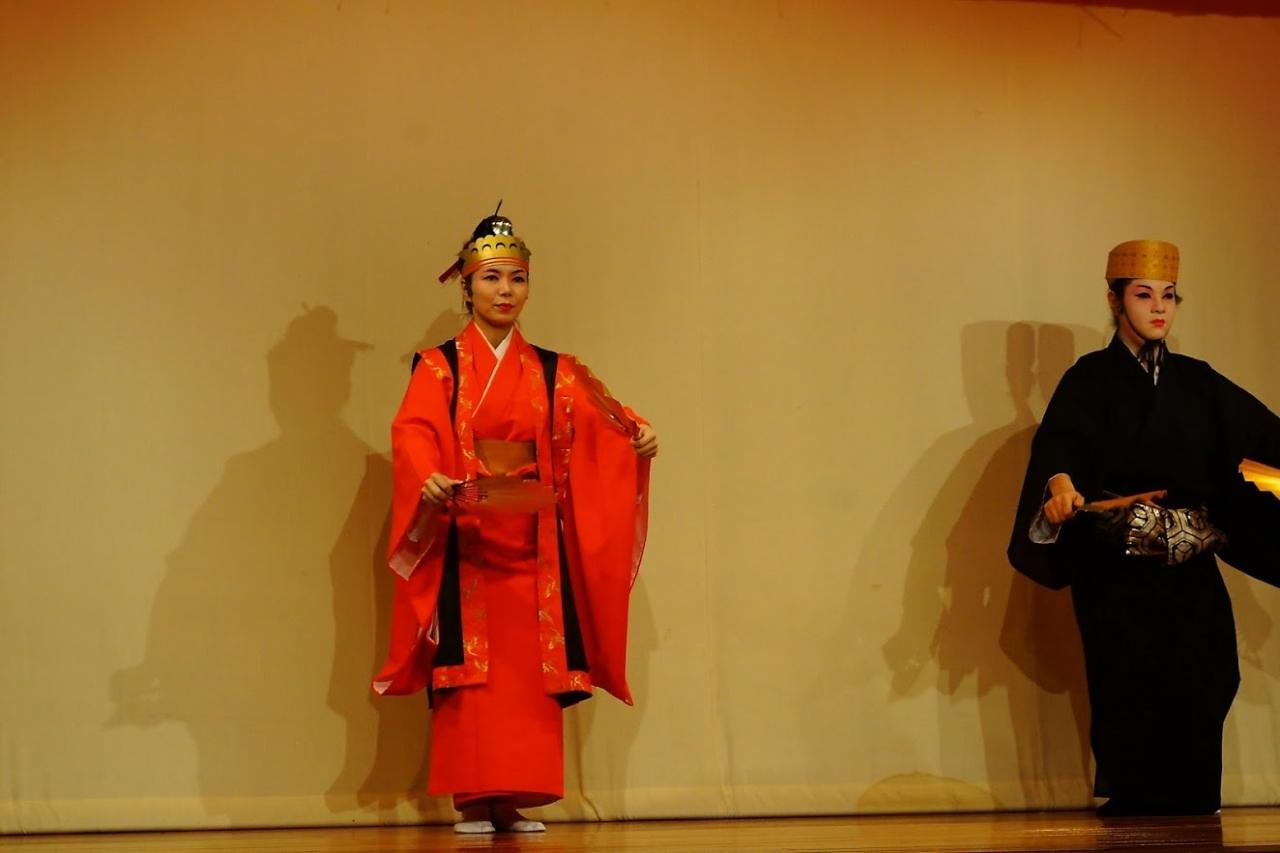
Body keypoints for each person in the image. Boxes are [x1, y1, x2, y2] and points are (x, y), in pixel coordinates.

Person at [373, 210, 658, 833]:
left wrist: (636, 436)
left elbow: (604, 419)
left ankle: (518, 796)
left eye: (517, 278)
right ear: (467, 286)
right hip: (468, 534)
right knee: (474, 672)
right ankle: (475, 796)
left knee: (530, 671)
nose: (505, 291)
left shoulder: (556, 370)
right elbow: (414, 431)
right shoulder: (439, 366)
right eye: (492, 278)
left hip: (534, 541)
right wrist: (428, 474)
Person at [1008, 239, 1280, 816]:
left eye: (1169, 296)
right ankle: (1135, 806)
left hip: (1188, 563)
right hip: (1118, 568)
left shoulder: (1198, 382)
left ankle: (1193, 803)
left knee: (1211, 675)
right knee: (1128, 683)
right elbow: (1059, 447)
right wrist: (1061, 489)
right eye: (1143, 295)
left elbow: (1267, 439)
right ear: (1115, 301)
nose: (1159, 307)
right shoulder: (1089, 379)